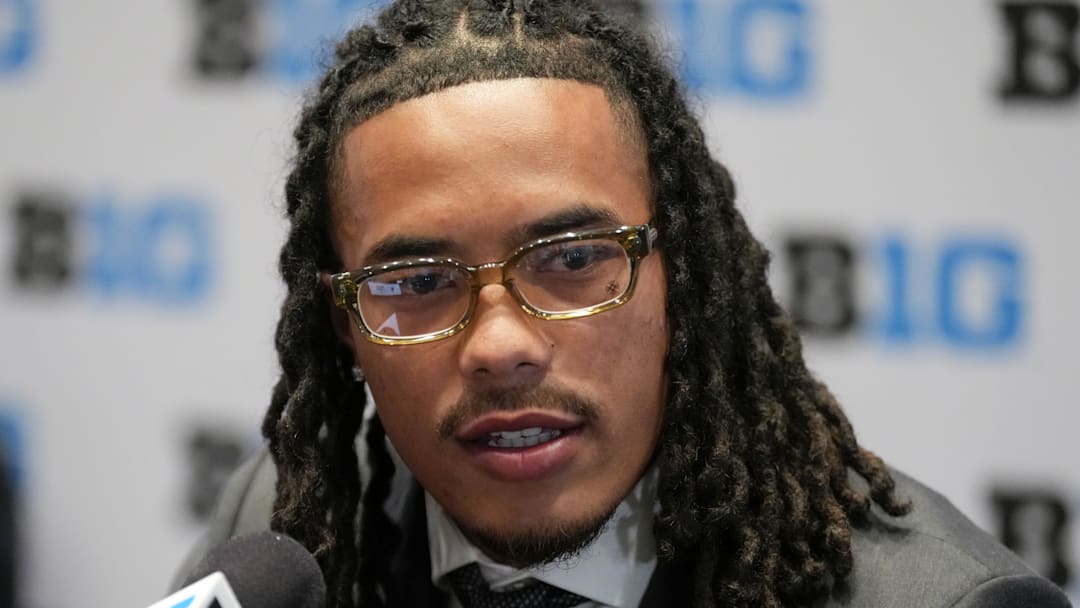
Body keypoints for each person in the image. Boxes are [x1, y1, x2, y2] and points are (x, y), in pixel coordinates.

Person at [175, 1, 1072, 607]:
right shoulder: (282, 529)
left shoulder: (943, 603)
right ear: (346, 327)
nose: (499, 346)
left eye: (571, 259)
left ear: (679, 272)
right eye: (415, 283)